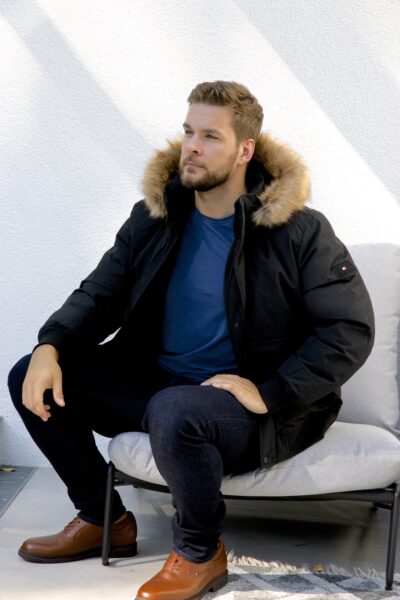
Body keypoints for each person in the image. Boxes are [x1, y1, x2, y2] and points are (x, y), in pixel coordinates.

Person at [8, 80, 375, 600]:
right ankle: (103, 518)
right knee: (28, 374)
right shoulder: (156, 218)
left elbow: (348, 329)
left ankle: (201, 551)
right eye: (188, 133)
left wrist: (270, 391)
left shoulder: (299, 231)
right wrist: (52, 344)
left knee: (176, 410)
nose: (192, 148)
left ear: (245, 150)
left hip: (251, 407)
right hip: (160, 383)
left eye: (210, 136)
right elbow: (100, 294)